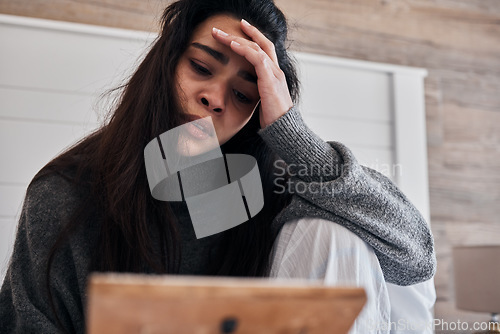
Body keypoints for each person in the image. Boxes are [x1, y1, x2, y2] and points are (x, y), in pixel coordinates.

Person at [0, 0, 436, 333]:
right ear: (165, 64)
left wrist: (294, 138)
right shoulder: (66, 195)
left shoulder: (265, 190)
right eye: (201, 67)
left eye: (244, 96)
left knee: (333, 231)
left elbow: (413, 258)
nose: (215, 98)